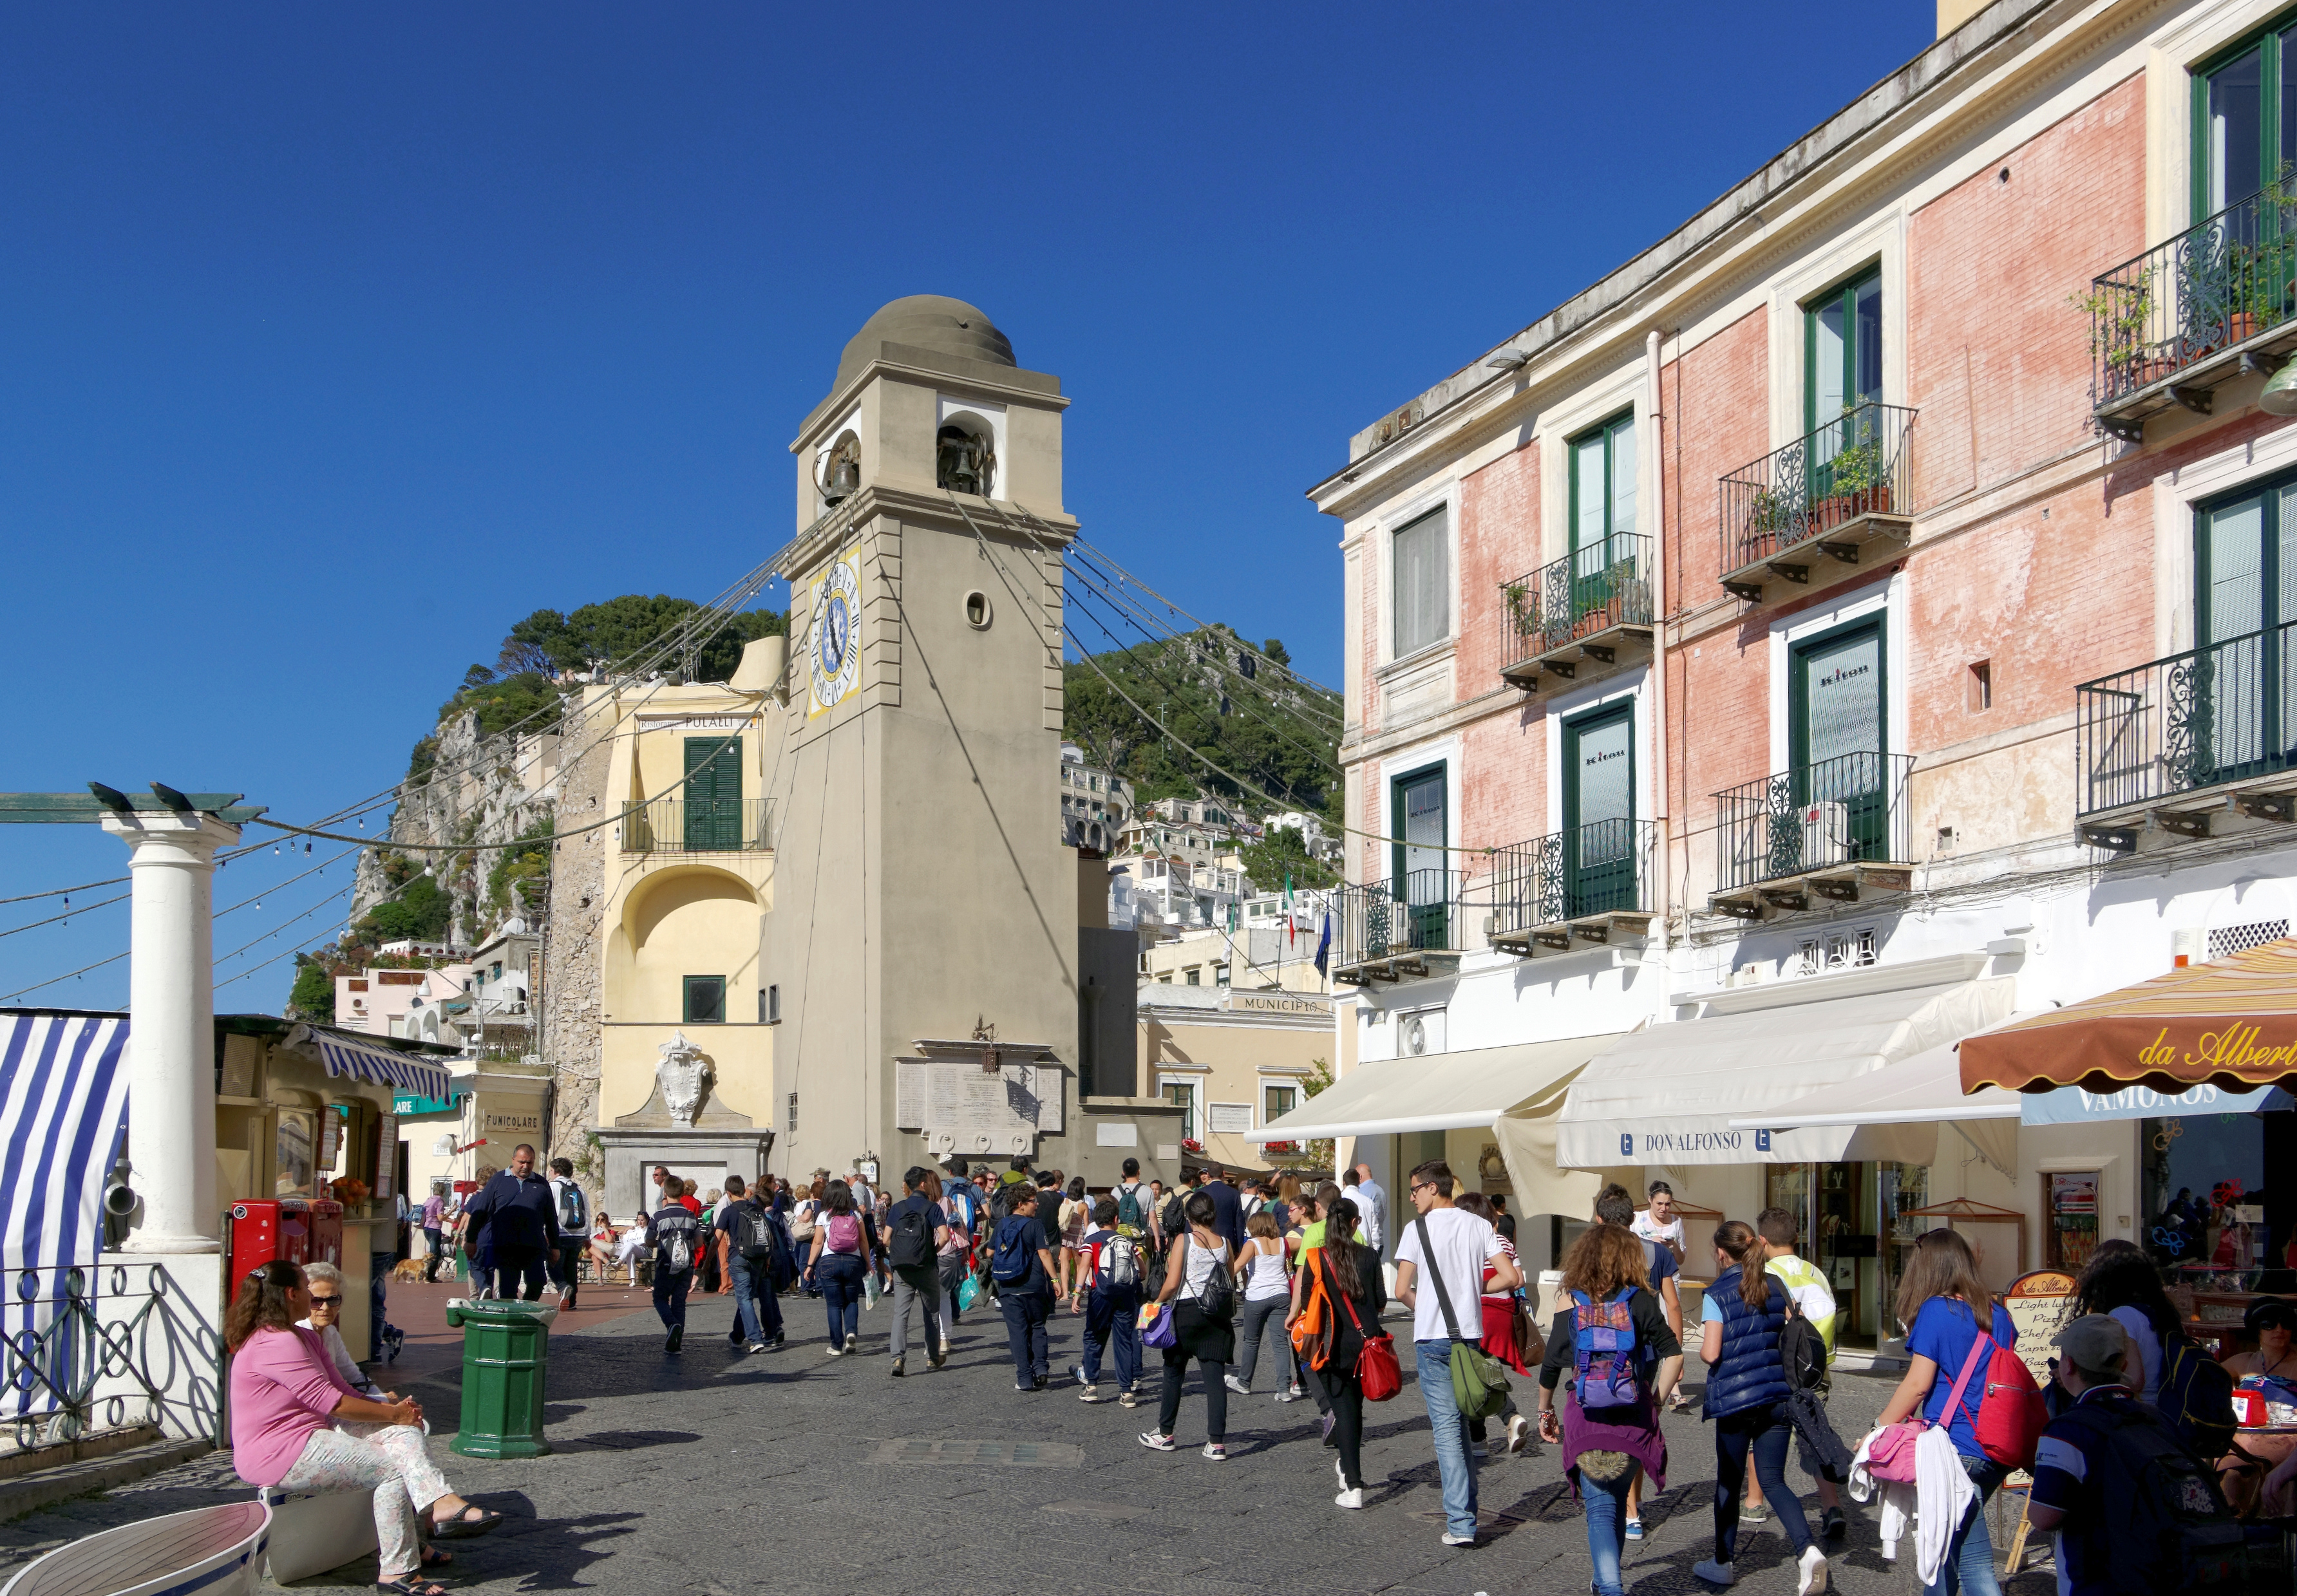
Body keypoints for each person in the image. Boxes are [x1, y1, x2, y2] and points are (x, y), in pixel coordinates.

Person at [226, 1261, 499, 1596]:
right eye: (307, 1289)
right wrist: (393, 1414)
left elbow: (347, 1392)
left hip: (312, 1433)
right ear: (291, 1294)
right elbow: (332, 1402)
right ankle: (397, 1571)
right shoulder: (275, 1342)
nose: (315, 1297)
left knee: (405, 1432)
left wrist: (396, 1411)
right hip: (278, 1452)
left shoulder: (304, 1336)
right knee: (391, 1469)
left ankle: (438, 1506)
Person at [2028, 1313, 2242, 1593]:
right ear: (2124, 1364)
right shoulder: (2156, 1418)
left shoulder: (2067, 1430)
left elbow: (2044, 1517)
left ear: (2068, 1365)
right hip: (2164, 1575)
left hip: (2098, 1581)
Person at [1536, 1223, 1685, 1596]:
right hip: (1632, 1415)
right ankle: (1606, 1582)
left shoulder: (1573, 1299)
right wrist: (1657, 1399)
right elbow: (1674, 1352)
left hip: (1587, 1417)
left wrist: (1544, 1410)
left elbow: (1552, 1363)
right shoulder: (1641, 1299)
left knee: (1600, 1509)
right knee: (1617, 1502)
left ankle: (1611, 1586)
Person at [1871, 1227, 2019, 1596]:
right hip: (1995, 1448)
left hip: (1954, 1449)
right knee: (1943, 1553)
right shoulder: (1999, 1316)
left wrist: (1878, 1428)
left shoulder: (1937, 1311)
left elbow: (1918, 1384)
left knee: (1971, 1562)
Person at [1694, 1219, 1828, 1594]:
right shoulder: (1776, 1286)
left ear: (1722, 1253)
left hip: (1736, 1401)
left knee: (1729, 1482)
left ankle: (1722, 1563)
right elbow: (1789, 1335)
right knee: (1772, 1480)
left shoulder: (1716, 1293)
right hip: (1776, 1397)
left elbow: (1710, 1353)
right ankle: (1807, 1551)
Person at [1394, 1159, 1524, 1547]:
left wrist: (1429, 1305)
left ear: (1434, 1188)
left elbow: (1401, 1290)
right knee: (1463, 1428)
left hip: (1432, 1338)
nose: (1413, 1196)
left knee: (1448, 1430)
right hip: (1468, 1337)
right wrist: (1473, 1293)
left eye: (1415, 1189)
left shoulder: (1415, 1229)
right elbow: (1511, 1277)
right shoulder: (1480, 1225)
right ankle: (1466, 1513)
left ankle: (1462, 1522)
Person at [1743, 1206, 1846, 1541]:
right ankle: (1831, 1506)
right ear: (1796, 1238)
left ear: (1761, 1241)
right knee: (1815, 1437)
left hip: (1775, 1373)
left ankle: (1756, 1501)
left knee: (1761, 1436)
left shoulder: (1762, 1275)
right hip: (1815, 1374)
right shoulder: (1816, 1273)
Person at [1596, 1182, 1684, 1533]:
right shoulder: (1656, 1252)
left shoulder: (1595, 1254)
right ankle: (1633, 1505)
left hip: (1604, 1348)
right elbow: (1673, 1304)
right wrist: (1675, 1356)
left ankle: (1620, 1504)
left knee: (1607, 1420)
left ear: (1601, 1218)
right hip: (1646, 1351)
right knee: (1638, 1422)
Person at [1289, 1195, 1387, 1507]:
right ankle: (1348, 1470)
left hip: (1329, 1344)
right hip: (1363, 1346)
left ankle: (1353, 1483)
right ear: (1355, 1223)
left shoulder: (1318, 1257)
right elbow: (1381, 1301)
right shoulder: (1370, 1257)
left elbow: (1307, 1302)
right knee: (1354, 1411)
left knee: (1344, 1411)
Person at [1139, 1188, 1236, 1460]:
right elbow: (1230, 1279)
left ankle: (1165, 1433)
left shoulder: (1185, 1240)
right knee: (1215, 1380)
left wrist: (1156, 1302)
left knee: (1173, 1373)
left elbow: (1172, 1282)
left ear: (1189, 1216)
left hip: (1186, 1312)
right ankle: (1216, 1443)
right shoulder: (1226, 1243)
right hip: (1215, 1315)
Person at [1456, 1193, 1535, 1454]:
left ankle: (1504, 1421)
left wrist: (1476, 1288)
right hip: (1505, 1315)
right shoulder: (1505, 1242)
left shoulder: (1468, 1241)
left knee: (1471, 1372)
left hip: (1481, 1313)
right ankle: (1482, 1438)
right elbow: (1519, 1280)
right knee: (1481, 1370)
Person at [2069, 1239, 2178, 1405]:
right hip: (2169, 1410)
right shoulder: (2160, 1311)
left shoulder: (2123, 1316)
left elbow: (2134, 1380)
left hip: (2143, 1412)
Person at [458, 1144, 562, 1302]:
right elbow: (481, 1210)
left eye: (529, 1163)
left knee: (538, 1282)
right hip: (506, 1246)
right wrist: (471, 1239)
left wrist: (555, 1246)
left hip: (533, 1245)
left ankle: (524, 1311)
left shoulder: (541, 1184)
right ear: (513, 1160)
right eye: (521, 1162)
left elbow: (551, 1217)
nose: (525, 1166)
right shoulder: (499, 1180)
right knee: (508, 1289)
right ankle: (509, 1320)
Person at [1073, 1196, 1144, 1405]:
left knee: (1094, 1337)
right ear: (1116, 1219)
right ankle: (1126, 1392)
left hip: (1100, 1295)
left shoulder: (1092, 1240)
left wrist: (1077, 1292)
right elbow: (1143, 1271)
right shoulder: (1127, 1242)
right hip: (1125, 1297)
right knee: (1123, 1341)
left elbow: (1084, 1266)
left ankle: (1092, 1385)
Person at [990, 1182, 1058, 1389]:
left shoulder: (1001, 1225)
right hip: (1034, 1285)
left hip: (1008, 1287)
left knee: (1017, 1333)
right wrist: (1055, 1280)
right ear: (1020, 1204)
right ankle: (1040, 1368)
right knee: (1037, 1326)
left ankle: (1024, 1379)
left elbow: (991, 1252)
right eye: (1033, 1201)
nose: (1036, 1204)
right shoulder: (1035, 1225)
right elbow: (1044, 1254)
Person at [884, 1165, 950, 1377]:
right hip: (926, 1267)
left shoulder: (898, 1208)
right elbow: (945, 1236)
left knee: (901, 1315)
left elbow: (886, 1239)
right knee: (931, 1314)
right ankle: (932, 1357)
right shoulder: (933, 1208)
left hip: (902, 1268)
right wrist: (932, 1251)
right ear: (923, 1184)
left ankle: (897, 1358)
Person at [804, 1178, 875, 1356]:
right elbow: (864, 1241)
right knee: (851, 1301)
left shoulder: (824, 1216)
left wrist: (810, 1265)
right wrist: (868, 1263)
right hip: (853, 1262)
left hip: (829, 1262)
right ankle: (851, 1333)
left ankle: (836, 1346)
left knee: (834, 1305)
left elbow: (818, 1243)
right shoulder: (856, 1215)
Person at [715, 1175, 786, 1355]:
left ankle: (755, 1338)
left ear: (728, 1193)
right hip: (758, 1258)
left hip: (738, 1258)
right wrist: (768, 1258)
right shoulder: (756, 1208)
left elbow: (716, 1239)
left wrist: (709, 1261)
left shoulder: (729, 1211)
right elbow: (766, 1233)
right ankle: (737, 1336)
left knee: (745, 1299)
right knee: (745, 1298)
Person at [1227, 1210, 1292, 1396]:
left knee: (1251, 1342)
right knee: (1280, 1343)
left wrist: (1219, 1281)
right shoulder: (1283, 1242)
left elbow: (1238, 1266)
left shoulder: (1253, 1243)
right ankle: (1284, 1389)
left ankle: (1244, 1382)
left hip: (1257, 1296)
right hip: (1281, 1294)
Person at [645, 1178, 703, 1353]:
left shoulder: (658, 1216)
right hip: (687, 1265)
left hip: (665, 1263)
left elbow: (648, 1241)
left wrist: (660, 1243)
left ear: (665, 1193)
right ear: (682, 1193)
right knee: (679, 1302)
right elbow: (699, 1242)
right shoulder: (691, 1216)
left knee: (660, 1298)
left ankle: (672, 1324)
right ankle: (676, 1344)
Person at [545, 1159, 587, 1310]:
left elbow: (547, 1211)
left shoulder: (552, 1187)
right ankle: (572, 1301)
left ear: (557, 1171)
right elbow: (586, 1212)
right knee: (571, 1268)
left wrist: (545, 1231)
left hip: (560, 1233)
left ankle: (563, 1288)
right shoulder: (579, 1189)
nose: (550, 1174)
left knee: (553, 1265)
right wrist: (587, 1235)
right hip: (578, 1234)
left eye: (551, 1171)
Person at [1634, 1179, 1687, 1264]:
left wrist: (1674, 1245)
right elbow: (1627, 1252)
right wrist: (1650, 1245)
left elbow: (1681, 1261)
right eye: (1659, 1204)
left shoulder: (1676, 1222)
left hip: (1669, 1275)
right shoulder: (1637, 1218)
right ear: (1650, 1200)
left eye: (1668, 1204)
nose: (1664, 1209)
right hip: (1644, 1275)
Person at [1197, 1167, 1245, 1255]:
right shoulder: (1233, 1193)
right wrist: (1239, 1247)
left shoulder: (1200, 1192)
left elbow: (1194, 1218)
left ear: (1208, 1175)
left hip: (1204, 1240)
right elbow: (1239, 1222)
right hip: (1227, 1241)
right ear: (1224, 1173)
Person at [1343, 1162, 1387, 1255]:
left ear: (1360, 1177)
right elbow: (1377, 1222)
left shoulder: (1362, 1192)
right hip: (1374, 1244)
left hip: (1356, 1246)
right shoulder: (1381, 1191)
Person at [1111, 1159, 1151, 1236]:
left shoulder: (1116, 1191)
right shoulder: (1147, 1190)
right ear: (1138, 1172)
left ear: (1123, 1173)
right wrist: (1157, 1239)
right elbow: (1152, 1217)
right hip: (1139, 1235)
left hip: (1120, 1234)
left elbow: (1112, 1215)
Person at [419, 1183, 448, 1284]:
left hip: (426, 1228)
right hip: (434, 1229)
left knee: (432, 1253)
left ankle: (424, 1273)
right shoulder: (439, 1201)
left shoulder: (429, 1200)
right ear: (443, 1191)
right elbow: (440, 1218)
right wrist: (451, 1211)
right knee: (435, 1255)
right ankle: (430, 1276)